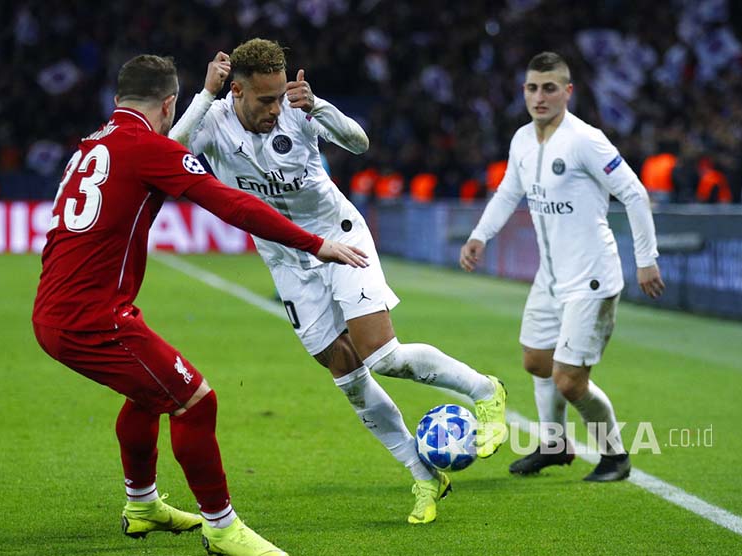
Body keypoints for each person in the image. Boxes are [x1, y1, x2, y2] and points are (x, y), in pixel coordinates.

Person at [32, 53, 369, 556]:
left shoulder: (92, 145)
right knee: (196, 400)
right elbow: (231, 203)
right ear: (168, 104)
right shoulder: (148, 148)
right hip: (92, 318)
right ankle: (222, 527)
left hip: (61, 307)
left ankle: (143, 506)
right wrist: (314, 243)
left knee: (150, 394)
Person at [170, 40, 508, 524]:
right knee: (347, 376)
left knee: (383, 356)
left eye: (279, 96)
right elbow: (171, 153)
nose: (275, 108)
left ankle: (484, 391)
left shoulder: (297, 109)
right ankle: (423, 475)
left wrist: (319, 106)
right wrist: (203, 94)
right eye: (264, 100)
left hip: (339, 239)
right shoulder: (213, 119)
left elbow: (359, 143)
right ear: (237, 90)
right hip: (287, 260)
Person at [460, 52, 665, 482]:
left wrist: (646, 260)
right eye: (532, 88)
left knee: (569, 381)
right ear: (523, 92)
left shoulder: (585, 140)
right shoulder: (521, 140)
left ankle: (615, 457)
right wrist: (480, 235)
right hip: (550, 278)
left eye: (549, 87)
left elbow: (634, 193)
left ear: (567, 92)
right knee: (536, 361)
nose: (540, 96)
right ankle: (554, 445)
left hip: (591, 278)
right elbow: (506, 194)